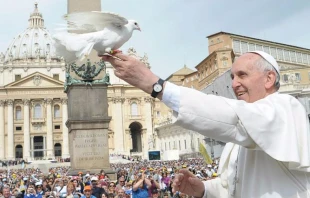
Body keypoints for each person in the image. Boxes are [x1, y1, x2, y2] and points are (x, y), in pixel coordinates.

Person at [102, 51, 310, 198]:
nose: (234, 83)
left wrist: (155, 85)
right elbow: (232, 187)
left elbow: (232, 116)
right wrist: (203, 189)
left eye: (242, 75)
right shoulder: (238, 140)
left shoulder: (286, 107)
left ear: (269, 78)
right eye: (232, 77)